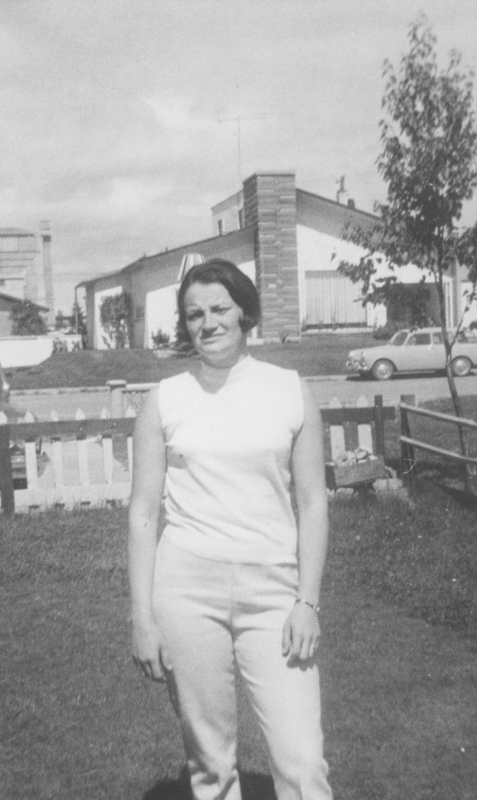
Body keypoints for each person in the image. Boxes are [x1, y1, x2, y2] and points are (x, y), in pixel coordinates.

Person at [128, 259, 333, 800]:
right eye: (194, 314)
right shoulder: (163, 400)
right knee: (210, 763)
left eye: (219, 308)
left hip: (275, 594)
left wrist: (307, 602)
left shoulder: (289, 390)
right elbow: (143, 514)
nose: (208, 323)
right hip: (186, 593)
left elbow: (313, 503)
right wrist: (142, 616)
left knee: (302, 759)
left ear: (245, 312)